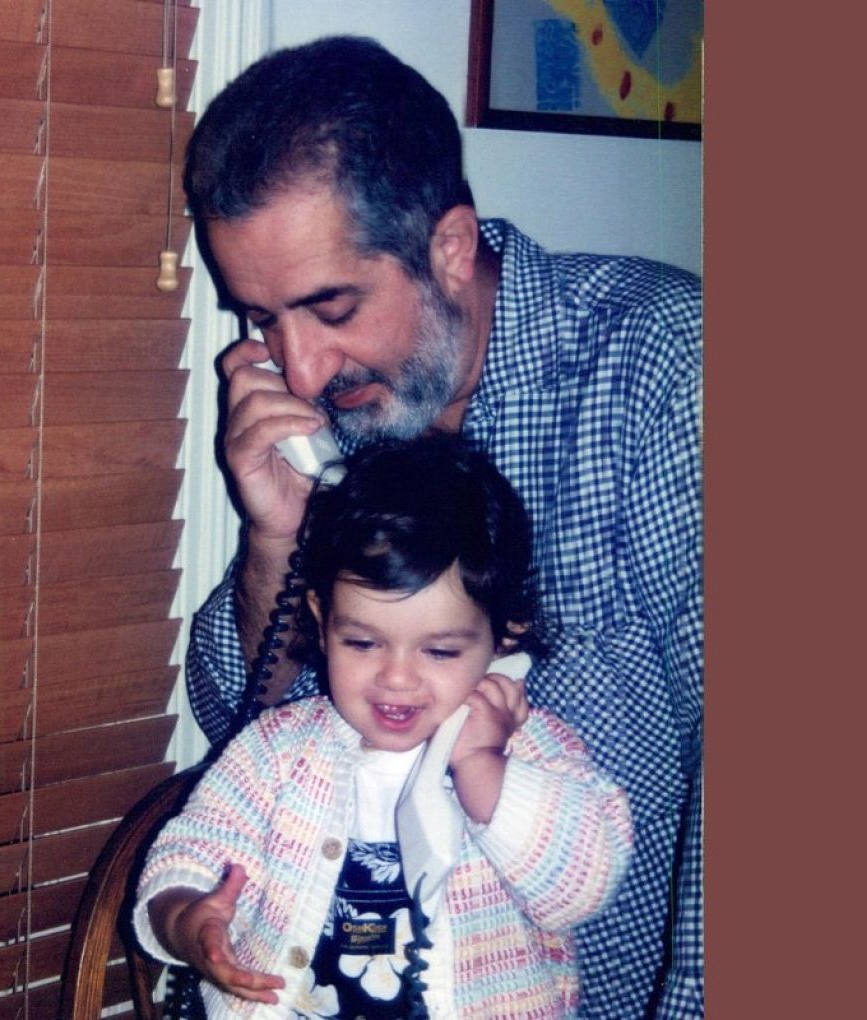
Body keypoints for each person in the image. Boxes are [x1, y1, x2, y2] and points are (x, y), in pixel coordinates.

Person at [183, 35, 704, 1019]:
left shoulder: (663, 368)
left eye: (331, 306)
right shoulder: (337, 422)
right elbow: (245, 729)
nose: (298, 371)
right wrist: (273, 545)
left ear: (451, 248)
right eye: (262, 319)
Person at [137, 436, 634, 1019]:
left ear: (505, 637)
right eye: (364, 642)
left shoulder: (535, 752)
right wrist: (188, 920)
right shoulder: (276, 750)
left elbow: (582, 887)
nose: (396, 679)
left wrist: (484, 767)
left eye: (441, 651)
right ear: (322, 622)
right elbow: (189, 858)